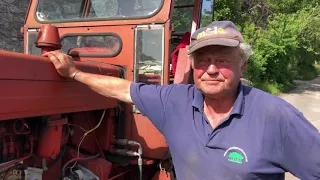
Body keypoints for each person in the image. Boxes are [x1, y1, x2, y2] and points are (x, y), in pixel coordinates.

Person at [44, 21, 320, 180]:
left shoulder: (276, 115)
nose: (211, 69)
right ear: (193, 67)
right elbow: (122, 89)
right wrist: (75, 72)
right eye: (203, 61)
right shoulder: (174, 101)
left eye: (223, 60)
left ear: (242, 66)